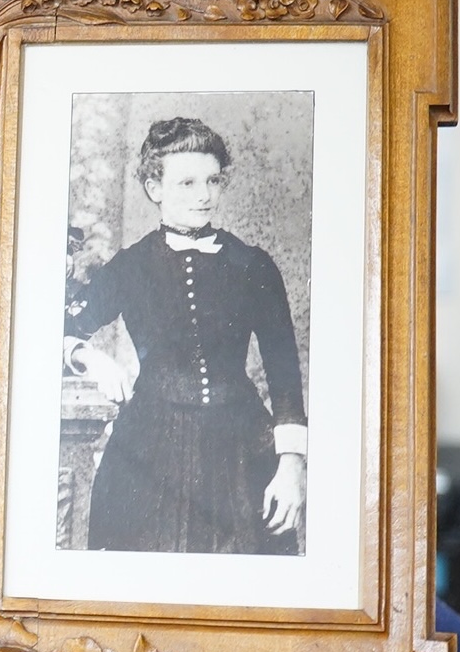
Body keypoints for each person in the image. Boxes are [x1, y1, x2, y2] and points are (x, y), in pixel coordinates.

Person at [63, 117, 306, 555]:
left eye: (213, 180)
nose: (204, 195)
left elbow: (285, 376)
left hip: (241, 453)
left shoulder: (254, 266)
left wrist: (291, 467)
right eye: (188, 182)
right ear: (154, 188)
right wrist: (89, 357)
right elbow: (53, 329)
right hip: (146, 457)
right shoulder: (130, 266)